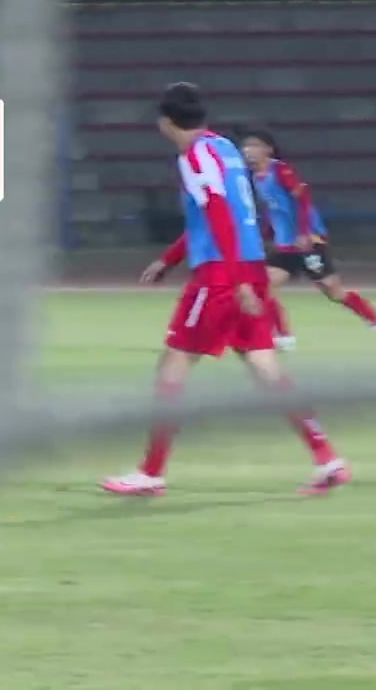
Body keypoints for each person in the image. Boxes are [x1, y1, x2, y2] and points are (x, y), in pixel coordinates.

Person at [103, 83, 348, 497]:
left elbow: (219, 215)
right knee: (266, 368)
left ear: (166, 122)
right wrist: (170, 259)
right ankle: (327, 459)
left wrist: (235, 281)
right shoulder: (225, 149)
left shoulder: (194, 157)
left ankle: (151, 472)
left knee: (173, 366)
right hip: (249, 265)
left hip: (221, 275)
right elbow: (221, 215)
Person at [238, 128, 375, 349]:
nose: (248, 150)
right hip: (285, 245)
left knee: (333, 290)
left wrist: (303, 232)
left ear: (268, 149)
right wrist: (265, 234)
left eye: (254, 145)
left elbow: (303, 199)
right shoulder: (254, 176)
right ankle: (283, 336)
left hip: (307, 240)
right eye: (246, 145)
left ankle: (372, 317)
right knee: (264, 285)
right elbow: (274, 209)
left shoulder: (280, 170)